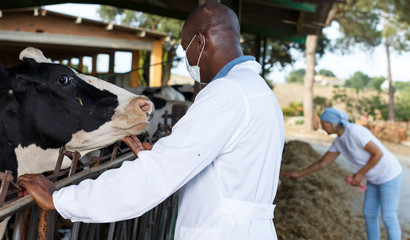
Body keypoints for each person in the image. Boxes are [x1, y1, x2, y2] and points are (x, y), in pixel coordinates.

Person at [17, 3, 285, 240]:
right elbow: (224, 172)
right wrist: (165, 155)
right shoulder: (257, 91)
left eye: (185, 48)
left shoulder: (226, 93)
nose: (188, 60)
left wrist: (60, 199)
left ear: (200, 42)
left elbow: (153, 179)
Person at [282, 107, 402, 240]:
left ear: (331, 123)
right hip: (373, 178)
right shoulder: (339, 141)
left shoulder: (355, 132)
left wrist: (360, 174)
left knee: (388, 216)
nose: (322, 127)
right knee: (369, 214)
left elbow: (378, 153)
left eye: (323, 124)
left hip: (389, 175)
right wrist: (299, 174)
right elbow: (322, 163)